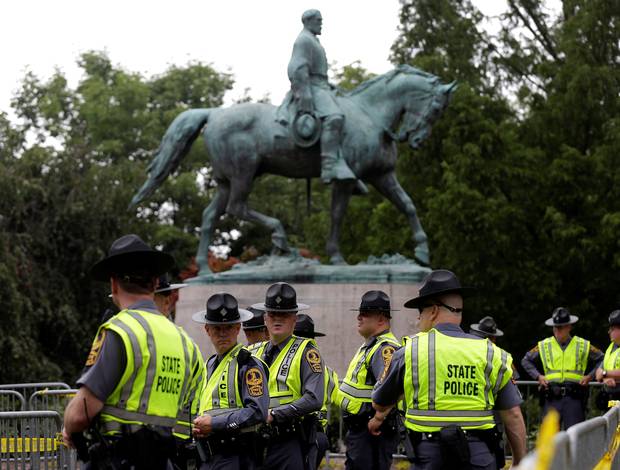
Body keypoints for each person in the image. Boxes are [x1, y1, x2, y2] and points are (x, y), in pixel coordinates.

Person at [63, 234, 203, 469]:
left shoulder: (121, 330)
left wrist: (69, 427)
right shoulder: (185, 342)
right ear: (156, 282)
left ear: (113, 284)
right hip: (165, 461)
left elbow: (81, 413)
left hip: (117, 460)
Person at [371, 269, 526, 470]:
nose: (419, 318)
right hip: (479, 458)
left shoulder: (410, 350)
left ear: (434, 311)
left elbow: (379, 403)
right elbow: (513, 415)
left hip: (429, 457)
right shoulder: (492, 353)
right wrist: (518, 462)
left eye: (421, 311)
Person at [251, 282, 325, 470]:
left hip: (288, 440)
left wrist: (275, 415)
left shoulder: (306, 351)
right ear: (265, 318)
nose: (278, 319)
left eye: (284, 315)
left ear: (294, 319)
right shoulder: (252, 353)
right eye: (273, 314)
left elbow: (314, 398)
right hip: (253, 442)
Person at [191, 293, 269, 469]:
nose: (223, 333)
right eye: (217, 328)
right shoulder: (209, 364)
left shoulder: (248, 364)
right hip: (209, 455)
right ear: (207, 329)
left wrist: (214, 423)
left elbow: (257, 412)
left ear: (238, 328)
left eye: (228, 327)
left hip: (237, 455)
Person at [282, 9, 359, 186]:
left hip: (321, 86)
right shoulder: (304, 40)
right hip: (312, 88)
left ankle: (346, 165)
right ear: (308, 21)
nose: (321, 23)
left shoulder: (313, 40)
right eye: (318, 20)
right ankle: (329, 165)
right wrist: (304, 93)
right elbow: (296, 68)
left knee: (347, 113)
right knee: (334, 118)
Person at [338, 290, 401, 470]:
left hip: (372, 431)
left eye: (365, 314)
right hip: (363, 430)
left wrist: (379, 418)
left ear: (381, 319)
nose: (359, 317)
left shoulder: (384, 349)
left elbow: (392, 387)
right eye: (359, 313)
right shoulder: (370, 346)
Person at [521, 307, 603, 429]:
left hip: (574, 398)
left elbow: (602, 359)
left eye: (561, 327)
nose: (557, 330)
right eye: (555, 327)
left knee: (575, 436)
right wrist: (538, 376)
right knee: (550, 441)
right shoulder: (544, 345)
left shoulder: (582, 345)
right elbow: (526, 360)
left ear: (569, 327)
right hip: (551, 397)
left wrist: (590, 376)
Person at [294, 313, 339, 470]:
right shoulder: (327, 371)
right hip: (318, 435)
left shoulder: (288, 366)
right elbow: (339, 399)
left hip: (298, 435)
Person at [595, 310, 620, 410]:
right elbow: (598, 372)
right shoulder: (610, 347)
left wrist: (605, 374)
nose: (609, 331)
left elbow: (602, 372)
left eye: (612, 329)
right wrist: (605, 379)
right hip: (612, 399)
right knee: (612, 425)